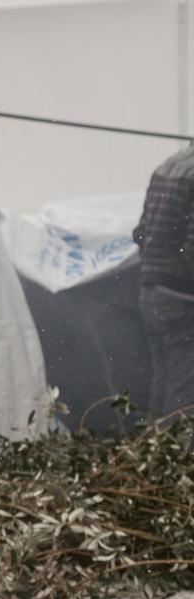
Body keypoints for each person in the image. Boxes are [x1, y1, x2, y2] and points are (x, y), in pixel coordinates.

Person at [133, 145, 194, 412]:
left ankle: (153, 448)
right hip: (182, 297)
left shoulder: (165, 166)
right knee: (185, 385)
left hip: (151, 291)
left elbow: (140, 232)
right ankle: (178, 452)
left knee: (163, 379)